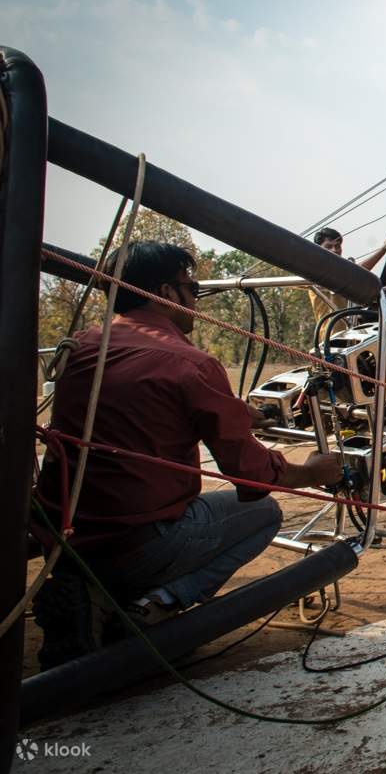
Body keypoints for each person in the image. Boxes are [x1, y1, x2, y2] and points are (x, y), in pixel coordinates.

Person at [33, 241, 342, 657]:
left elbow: (143, 406)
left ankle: (95, 592)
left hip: (63, 537)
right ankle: (148, 608)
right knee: (263, 513)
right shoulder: (188, 363)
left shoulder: (83, 346)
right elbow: (250, 472)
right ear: (166, 293)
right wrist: (313, 473)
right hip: (136, 544)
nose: (196, 298)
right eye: (192, 288)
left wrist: (236, 411)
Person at [309, 227, 386, 326]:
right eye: (329, 246)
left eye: (337, 246)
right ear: (318, 249)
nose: (334, 250)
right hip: (332, 336)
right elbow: (355, 272)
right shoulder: (315, 273)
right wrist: (384, 248)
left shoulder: (344, 274)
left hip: (352, 332)